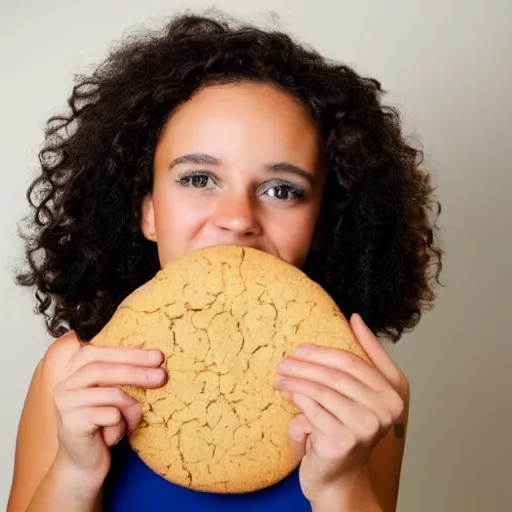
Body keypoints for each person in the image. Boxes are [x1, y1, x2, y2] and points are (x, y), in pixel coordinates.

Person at [7, 12, 442, 512]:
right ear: (147, 212)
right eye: (197, 178)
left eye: (282, 189)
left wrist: (340, 486)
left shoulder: (368, 394)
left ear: (320, 225)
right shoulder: (72, 371)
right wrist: (75, 473)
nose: (237, 219)